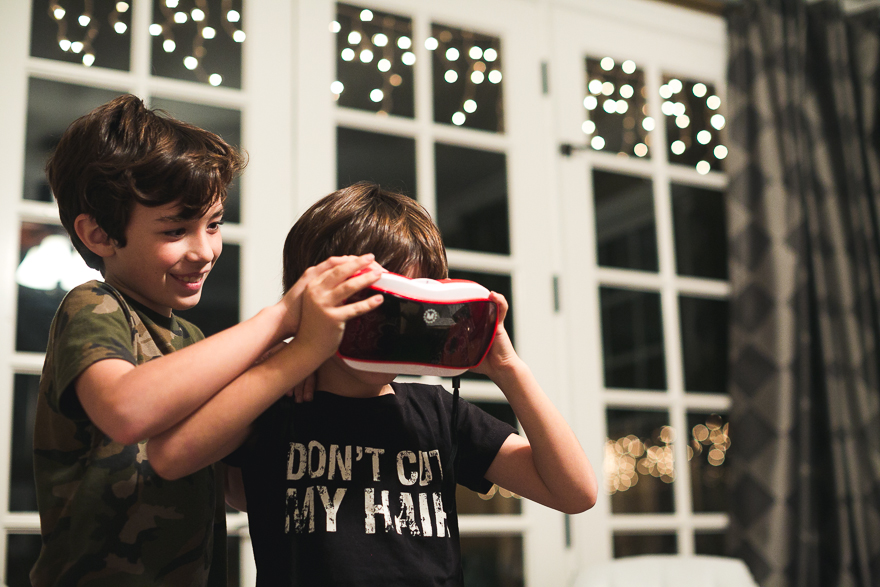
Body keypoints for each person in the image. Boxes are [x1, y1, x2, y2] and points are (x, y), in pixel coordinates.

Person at [147, 182, 598, 586]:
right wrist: (286, 359)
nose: (394, 325)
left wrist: (509, 370)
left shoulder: (440, 412)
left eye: (413, 306)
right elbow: (177, 456)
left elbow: (574, 492)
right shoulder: (276, 401)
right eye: (377, 302)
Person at [32, 95, 384, 586]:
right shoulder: (94, 305)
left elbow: (232, 488)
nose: (204, 250)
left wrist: (277, 376)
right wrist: (283, 319)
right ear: (98, 235)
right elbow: (126, 409)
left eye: (214, 224)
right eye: (176, 229)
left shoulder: (190, 338)